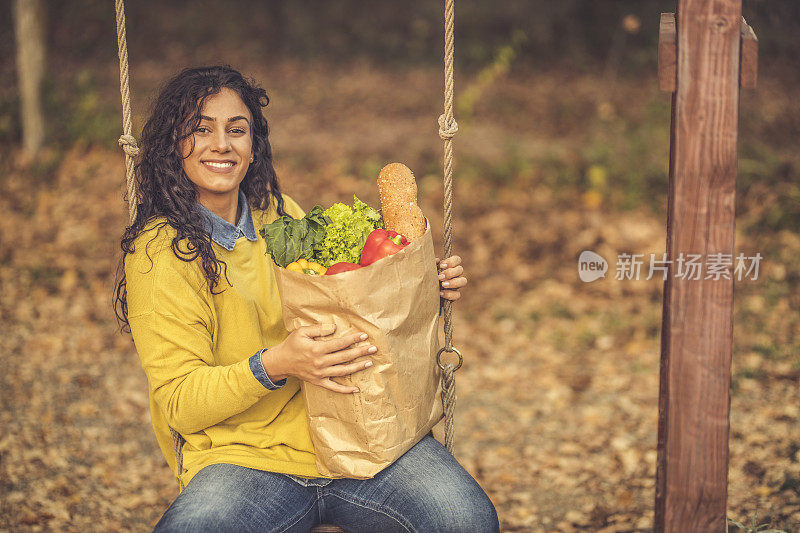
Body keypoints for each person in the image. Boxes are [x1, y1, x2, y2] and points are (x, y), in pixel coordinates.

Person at [114, 65, 499, 533]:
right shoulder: (161, 250)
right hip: (244, 461)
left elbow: (351, 306)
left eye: (237, 130)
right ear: (173, 145)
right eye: (201, 130)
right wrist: (276, 364)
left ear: (253, 148)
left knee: (466, 520)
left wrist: (417, 289)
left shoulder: (280, 216)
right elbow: (180, 401)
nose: (222, 144)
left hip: (356, 435)